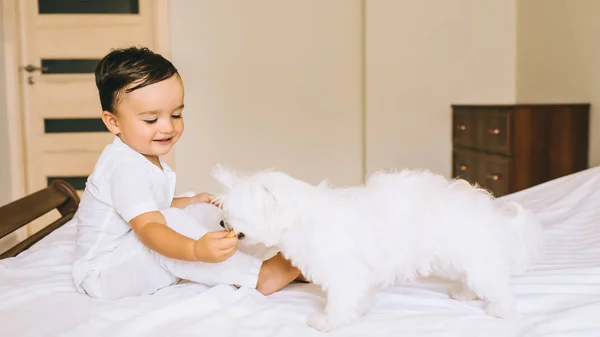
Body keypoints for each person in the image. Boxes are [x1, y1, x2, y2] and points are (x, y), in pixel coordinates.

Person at [71, 46, 302, 300]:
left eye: (176, 114)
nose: (168, 127)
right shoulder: (123, 167)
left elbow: (147, 207)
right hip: (103, 275)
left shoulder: (138, 157)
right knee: (171, 225)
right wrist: (194, 249)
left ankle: (264, 256)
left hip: (125, 260)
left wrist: (190, 202)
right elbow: (148, 225)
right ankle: (259, 276)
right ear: (113, 122)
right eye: (150, 120)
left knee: (202, 209)